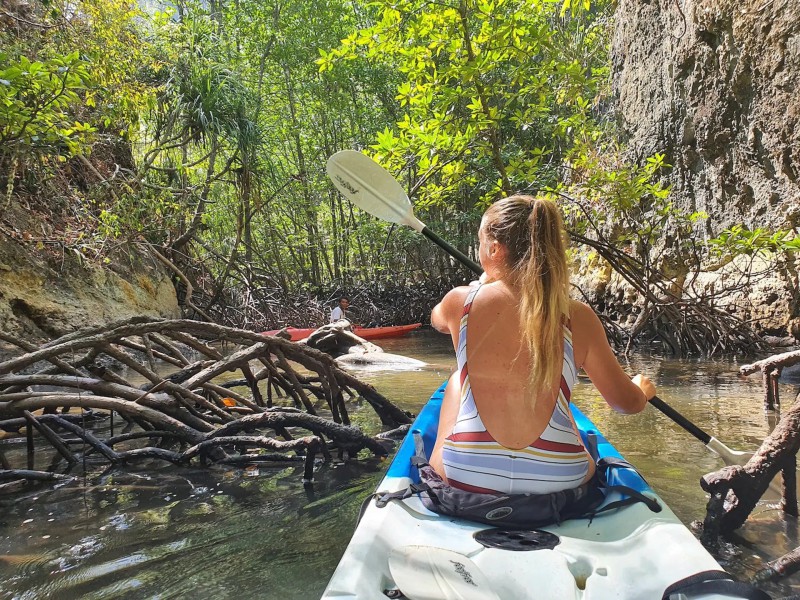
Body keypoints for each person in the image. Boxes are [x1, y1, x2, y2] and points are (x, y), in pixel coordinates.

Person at [429, 195, 657, 496]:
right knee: (561, 395)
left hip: (466, 475)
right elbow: (625, 404)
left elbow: (437, 321)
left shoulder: (459, 302)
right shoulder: (578, 316)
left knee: (457, 380)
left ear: (494, 249)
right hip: (559, 480)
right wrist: (641, 391)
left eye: (481, 241)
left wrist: (479, 288)